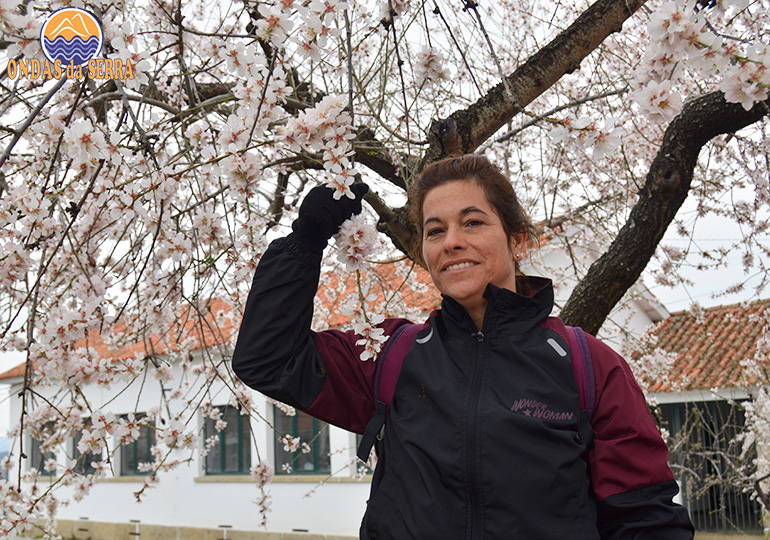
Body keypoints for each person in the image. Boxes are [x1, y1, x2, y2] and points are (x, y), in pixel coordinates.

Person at [232, 154, 694, 539]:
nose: (452, 242)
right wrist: (306, 242)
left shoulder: (589, 366)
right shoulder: (388, 354)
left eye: (472, 222)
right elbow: (268, 359)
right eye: (435, 231)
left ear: (516, 240)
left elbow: (644, 519)